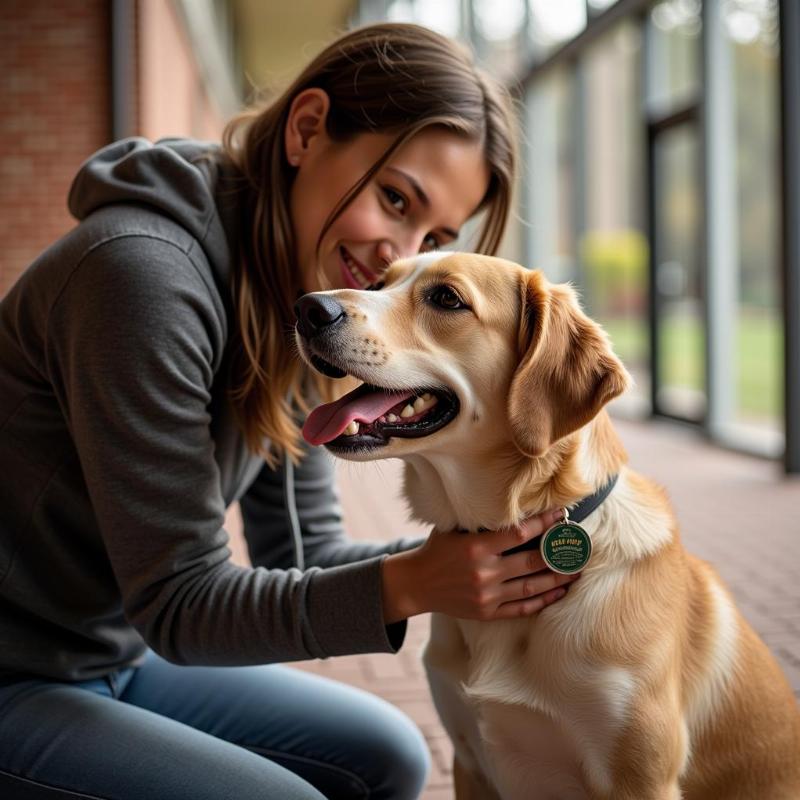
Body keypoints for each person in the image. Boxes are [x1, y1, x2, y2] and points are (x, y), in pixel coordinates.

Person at [0, 22, 578, 800]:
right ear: (307, 129)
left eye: (435, 234)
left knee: (391, 756)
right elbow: (182, 604)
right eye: (395, 198)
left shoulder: (296, 298)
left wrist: (479, 558)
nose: (397, 254)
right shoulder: (140, 278)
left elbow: (297, 549)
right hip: (19, 671)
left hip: (105, 657)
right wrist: (419, 581)